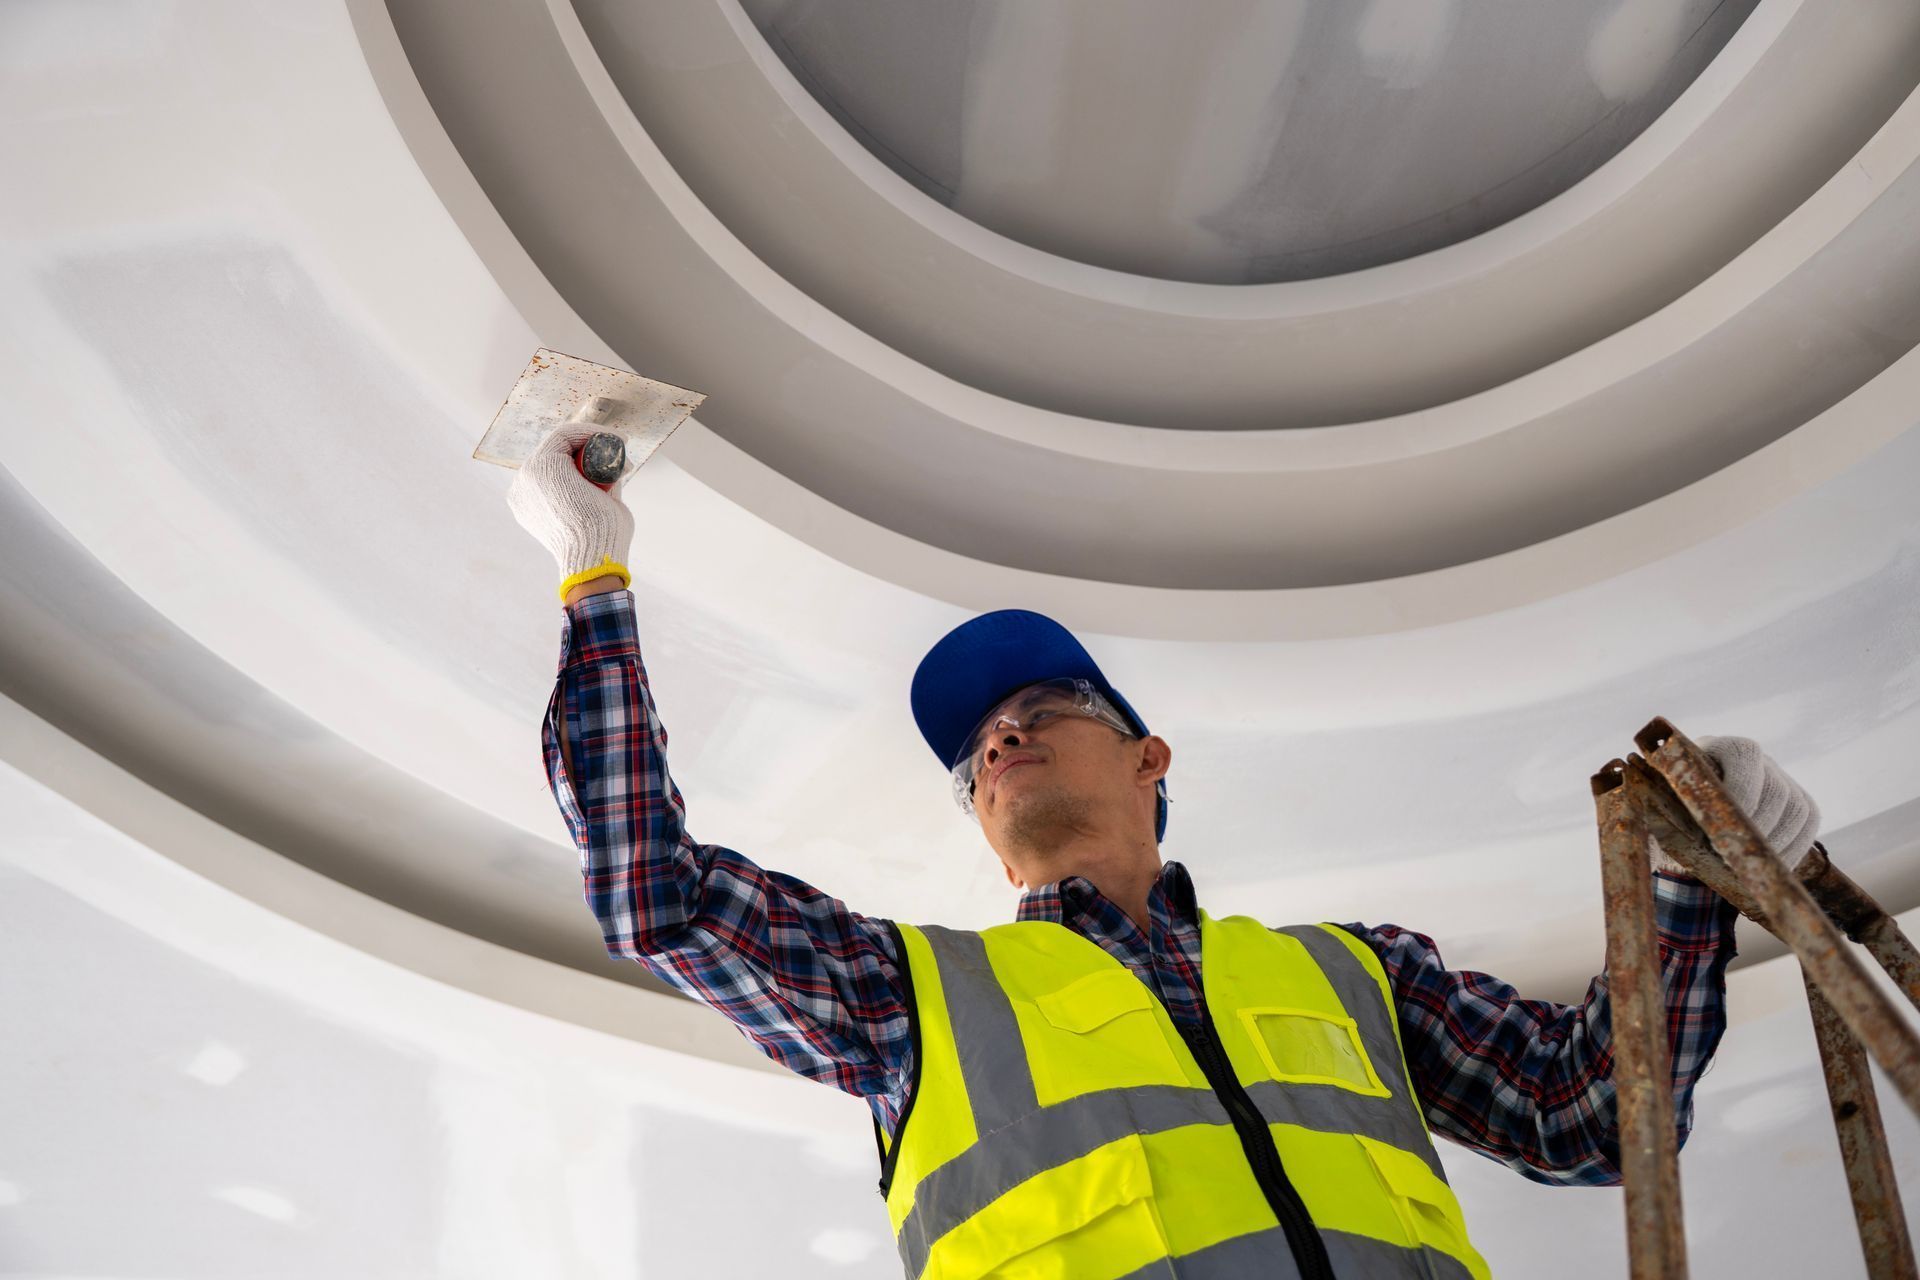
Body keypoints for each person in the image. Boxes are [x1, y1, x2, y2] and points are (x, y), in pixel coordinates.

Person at [510, 426, 1822, 1279]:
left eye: (1043, 711)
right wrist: (596, 580)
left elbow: (1590, 1114)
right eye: (979, 756)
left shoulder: (1352, 977)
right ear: (976, 817)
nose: (1004, 738)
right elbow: (657, 896)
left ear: (1152, 760)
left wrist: (1685, 885)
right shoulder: (916, 1000)